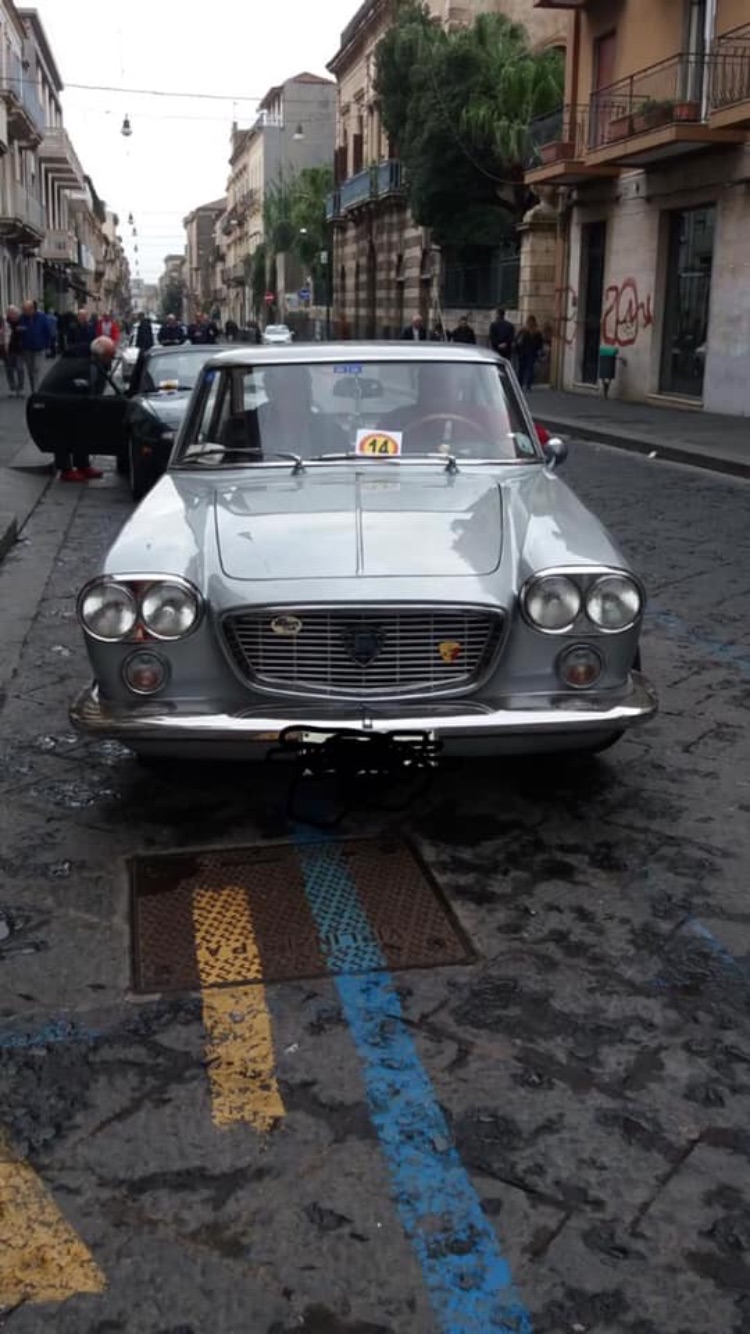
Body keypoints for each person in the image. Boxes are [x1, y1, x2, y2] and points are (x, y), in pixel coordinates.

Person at [51, 336, 119, 482]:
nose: (111, 360)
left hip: (78, 401)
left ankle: (83, 465)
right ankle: (65, 469)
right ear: (101, 355)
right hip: (61, 400)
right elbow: (74, 382)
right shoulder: (78, 361)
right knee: (63, 433)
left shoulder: (96, 361)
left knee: (82, 431)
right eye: (110, 356)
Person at [19, 299, 50, 391]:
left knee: (36, 369)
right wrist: (20, 330)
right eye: (23, 309)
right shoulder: (22, 318)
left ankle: (36, 391)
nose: (24, 311)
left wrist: (48, 346)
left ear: (32, 309)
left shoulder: (42, 317)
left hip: (39, 348)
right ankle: (33, 389)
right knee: (30, 371)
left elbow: (47, 331)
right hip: (27, 348)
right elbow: (19, 330)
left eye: (25, 309)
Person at [515, 315, 544, 391]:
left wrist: (518, 350)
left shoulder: (523, 330)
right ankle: (528, 385)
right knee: (530, 369)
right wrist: (539, 351)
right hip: (532, 352)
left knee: (521, 369)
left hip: (523, 352)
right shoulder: (537, 332)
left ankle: (520, 384)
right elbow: (540, 343)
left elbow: (517, 340)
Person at [1, 306, 25, 396]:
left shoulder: (21, 321)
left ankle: (20, 388)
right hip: (8, 349)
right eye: (10, 313)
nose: (12, 315)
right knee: (9, 369)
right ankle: (12, 388)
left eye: (14, 313)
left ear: (17, 314)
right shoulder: (5, 322)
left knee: (19, 368)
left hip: (19, 349)